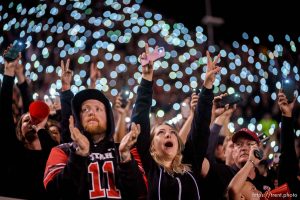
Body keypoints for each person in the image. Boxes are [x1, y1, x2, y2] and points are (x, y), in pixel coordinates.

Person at [128, 43, 221, 199]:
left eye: (172, 132)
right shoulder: (150, 167)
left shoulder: (191, 164)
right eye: (161, 132)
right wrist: (146, 78)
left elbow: (200, 128)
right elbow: (140, 121)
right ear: (151, 146)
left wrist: (208, 86)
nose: (168, 135)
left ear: (179, 144)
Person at [44, 79, 146, 199]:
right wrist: (78, 155)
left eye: (98, 109)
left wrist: (125, 158)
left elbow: (140, 192)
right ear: (78, 118)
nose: (92, 112)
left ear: (108, 118)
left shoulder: (126, 151)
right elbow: (54, 192)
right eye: (85, 109)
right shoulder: (61, 151)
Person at [0, 46, 57, 199]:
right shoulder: (14, 151)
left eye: (34, 120)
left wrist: (21, 76)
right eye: (25, 121)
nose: (31, 121)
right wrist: (9, 70)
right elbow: (4, 110)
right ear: (19, 131)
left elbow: (33, 110)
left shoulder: (53, 154)